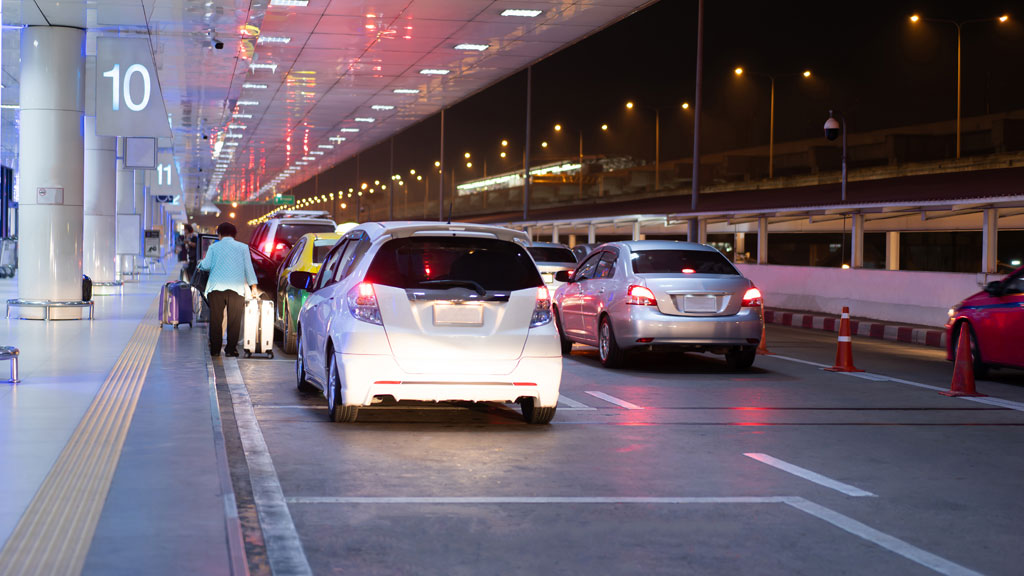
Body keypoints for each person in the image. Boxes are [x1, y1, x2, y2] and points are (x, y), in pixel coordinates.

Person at [196, 222, 257, 357]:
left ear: (219, 234)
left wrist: (200, 263)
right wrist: (253, 287)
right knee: (234, 321)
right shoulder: (243, 247)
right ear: (234, 234)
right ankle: (230, 350)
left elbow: (205, 266)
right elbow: (249, 268)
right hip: (236, 289)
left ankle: (215, 350)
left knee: (216, 320)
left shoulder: (214, 247)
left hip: (216, 288)